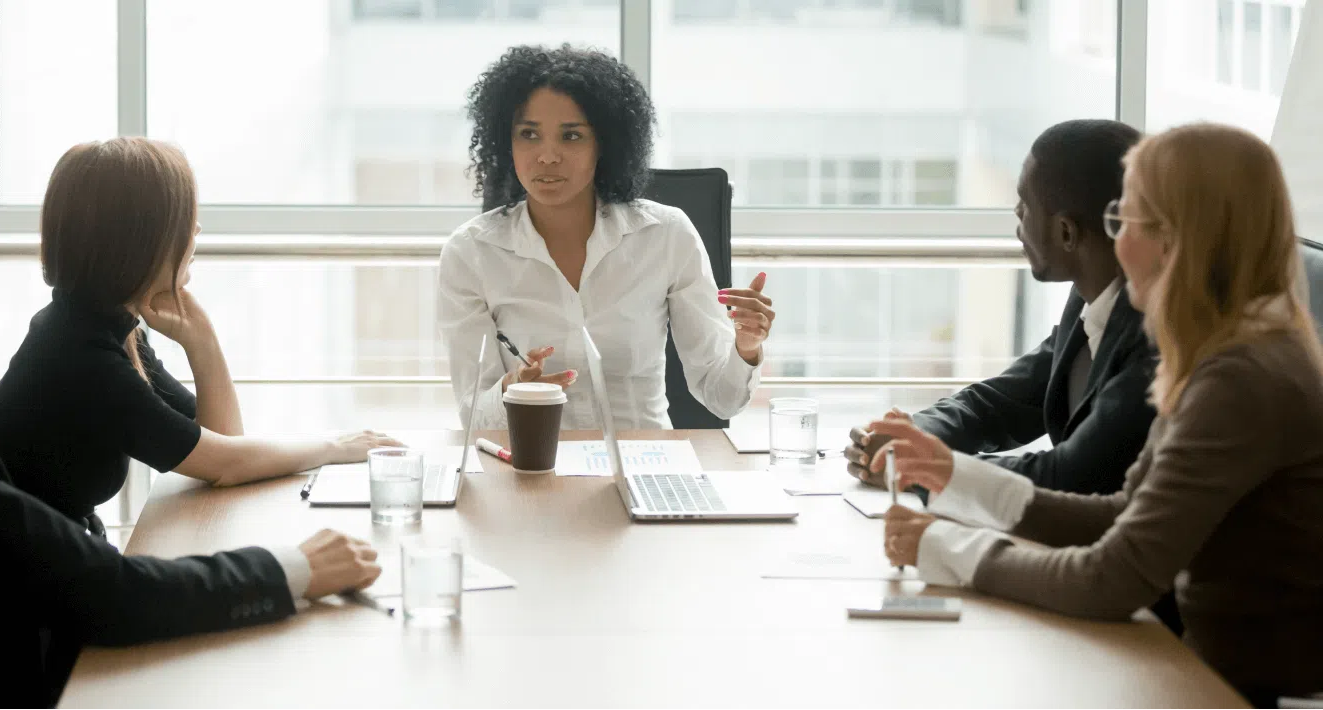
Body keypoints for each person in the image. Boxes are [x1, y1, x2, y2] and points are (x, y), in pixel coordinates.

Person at [0, 126, 383, 709]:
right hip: (30, 649)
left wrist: (203, 341)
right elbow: (116, 584)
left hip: (55, 603)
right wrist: (294, 565)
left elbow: (216, 442)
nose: (195, 236)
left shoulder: (107, 330)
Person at [876, 123, 1323, 708]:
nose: (1116, 242)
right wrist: (953, 476)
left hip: (1238, 690)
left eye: (1125, 220)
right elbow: (1120, 514)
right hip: (1198, 666)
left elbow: (1113, 579)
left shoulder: (1240, 380)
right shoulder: (1230, 350)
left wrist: (944, 550)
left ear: (1176, 238)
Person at [0, 137, 399, 534]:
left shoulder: (98, 325)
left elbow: (224, 442)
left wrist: (202, 342)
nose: (195, 232)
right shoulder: (81, 356)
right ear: (138, 241)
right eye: (183, 221)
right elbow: (226, 463)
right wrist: (334, 446)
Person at [436, 45, 775, 430]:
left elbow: (722, 398)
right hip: (532, 467)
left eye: (571, 136)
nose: (547, 156)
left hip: (644, 466)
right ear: (505, 141)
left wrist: (746, 347)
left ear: (604, 145)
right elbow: (473, 415)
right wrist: (510, 390)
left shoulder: (665, 235)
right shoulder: (471, 253)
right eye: (529, 134)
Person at [845, 119, 1155, 496]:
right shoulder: (1090, 298)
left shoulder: (1153, 337)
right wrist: (914, 435)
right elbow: (1004, 402)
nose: (1017, 217)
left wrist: (920, 468)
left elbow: (1071, 476)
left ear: (1066, 233)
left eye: (1025, 204)